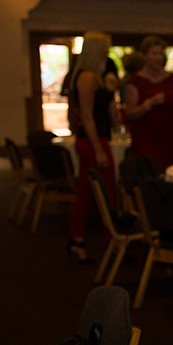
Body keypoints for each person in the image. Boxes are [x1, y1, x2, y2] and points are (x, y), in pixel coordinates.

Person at [66, 31, 117, 262]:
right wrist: (98, 149)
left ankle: (76, 239)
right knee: (108, 191)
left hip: (92, 140)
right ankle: (113, 240)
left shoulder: (94, 75)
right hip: (91, 141)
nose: (107, 53)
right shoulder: (86, 77)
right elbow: (87, 116)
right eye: (105, 49)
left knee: (86, 193)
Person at [123, 35, 173, 172]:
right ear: (145, 56)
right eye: (154, 54)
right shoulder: (135, 81)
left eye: (160, 54)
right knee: (148, 174)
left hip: (170, 137)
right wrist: (148, 104)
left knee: (170, 173)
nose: (158, 58)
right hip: (145, 138)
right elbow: (129, 114)